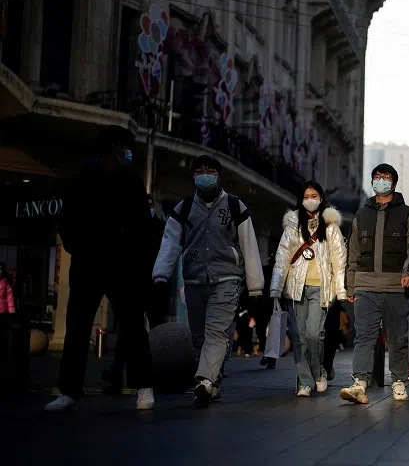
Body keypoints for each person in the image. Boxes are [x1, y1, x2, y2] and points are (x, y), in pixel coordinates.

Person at [46, 126, 155, 412]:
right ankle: (69, 390)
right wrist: (78, 249)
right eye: (124, 148)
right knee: (78, 327)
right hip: (88, 265)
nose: (128, 154)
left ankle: (144, 386)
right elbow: (67, 221)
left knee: (132, 327)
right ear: (111, 150)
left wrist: (140, 270)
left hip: (124, 268)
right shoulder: (82, 182)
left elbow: (144, 231)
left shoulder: (132, 186)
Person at [152, 154, 264, 406]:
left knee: (216, 332)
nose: (205, 175)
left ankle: (203, 380)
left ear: (218, 175)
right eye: (199, 170)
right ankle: (212, 385)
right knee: (198, 335)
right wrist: (161, 274)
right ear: (193, 176)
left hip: (227, 278)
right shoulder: (184, 208)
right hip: (194, 280)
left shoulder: (236, 206)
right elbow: (170, 243)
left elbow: (249, 245)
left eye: (210, 170)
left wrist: (255, 284)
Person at [341, 163, 409, 404]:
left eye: (385, 177)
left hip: (395, 286)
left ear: (394, 183)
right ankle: (360, 383)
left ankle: (399, 381)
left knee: (397, 337)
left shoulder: (407, 214)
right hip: (365, 286)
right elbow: (353, 252)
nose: (381, 181)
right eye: (377, 177)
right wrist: (350, 286)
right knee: (363, 336)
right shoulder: (361, 215)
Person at [271, 181, 347, 397]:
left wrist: (340, 290)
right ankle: (305, 381)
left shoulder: (330, 226)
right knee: (299, 337)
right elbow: (282, 256)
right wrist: (276, 288)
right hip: (296, 288)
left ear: (321, 198)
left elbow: (339, 259)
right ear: (301, 199)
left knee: (315, 335)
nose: (310, 199)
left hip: (321, 287)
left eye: (314, 195)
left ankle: (318, 372)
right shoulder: (293, 224)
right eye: (306, 196)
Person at [102, 193, 167, 394]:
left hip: (155, 286)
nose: (148, 208)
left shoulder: (160, 228)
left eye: (150, 204)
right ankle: (116, 372)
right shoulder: (129, 229)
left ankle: (160, 373)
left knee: (157, 330)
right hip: (133, 286)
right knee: (128, 330)